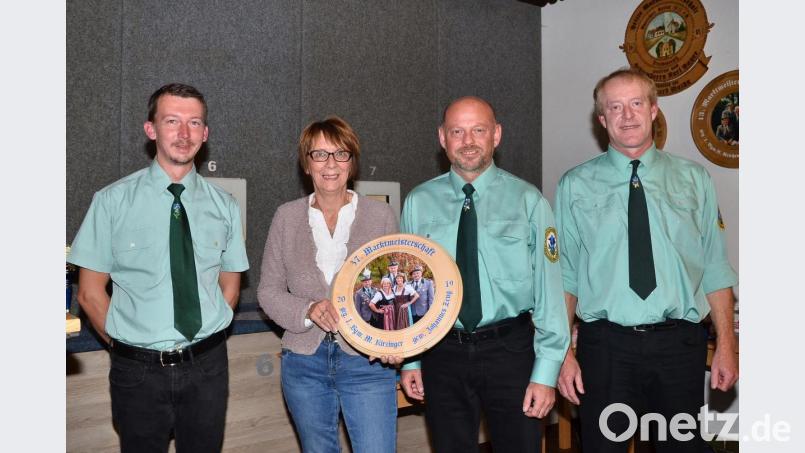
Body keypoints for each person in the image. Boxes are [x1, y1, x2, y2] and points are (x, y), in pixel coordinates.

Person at [554, 68, 738, 452]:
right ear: (602, 119)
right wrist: (562, 354)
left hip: (679, 346)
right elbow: (566, 275)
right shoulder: (574, 184)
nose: (627, 115)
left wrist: (726, 345)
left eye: (636, 103)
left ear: (654, 110)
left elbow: (715, 267)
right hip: (604, 348)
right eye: (615, 107)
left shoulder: (694, 179)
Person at [67, 83, 249, 453]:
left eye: (194, 123)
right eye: (172, 121)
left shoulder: (225, 206)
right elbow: (88, 292)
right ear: (151, 130)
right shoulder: (111, 202)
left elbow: (230, 286)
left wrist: (203, 338)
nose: (184, 134)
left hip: (207, 367)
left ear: (206, 133)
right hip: (138, 371)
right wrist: (126, 347)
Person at [399, 96, 570, 452]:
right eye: (457, 131)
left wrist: (546, 373)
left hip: (511, 352)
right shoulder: (418, 202)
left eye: (479, 130)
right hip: (441, 352)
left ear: (497, 135)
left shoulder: (529, 200)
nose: (468, 140)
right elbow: (409, 287)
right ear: (442, 138)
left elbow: (550, 292)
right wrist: (411, 359)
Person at [257, 116, 401, 453]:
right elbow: (268, 290)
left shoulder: (381, 217)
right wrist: (308, 309)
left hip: (367, 360)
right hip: (304, 361)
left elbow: (393, 290)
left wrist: (394, 340)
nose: (330, 164)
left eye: (341, 154)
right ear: (306, 164)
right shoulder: (286, 217)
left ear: (353, 162)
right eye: (320, 154)